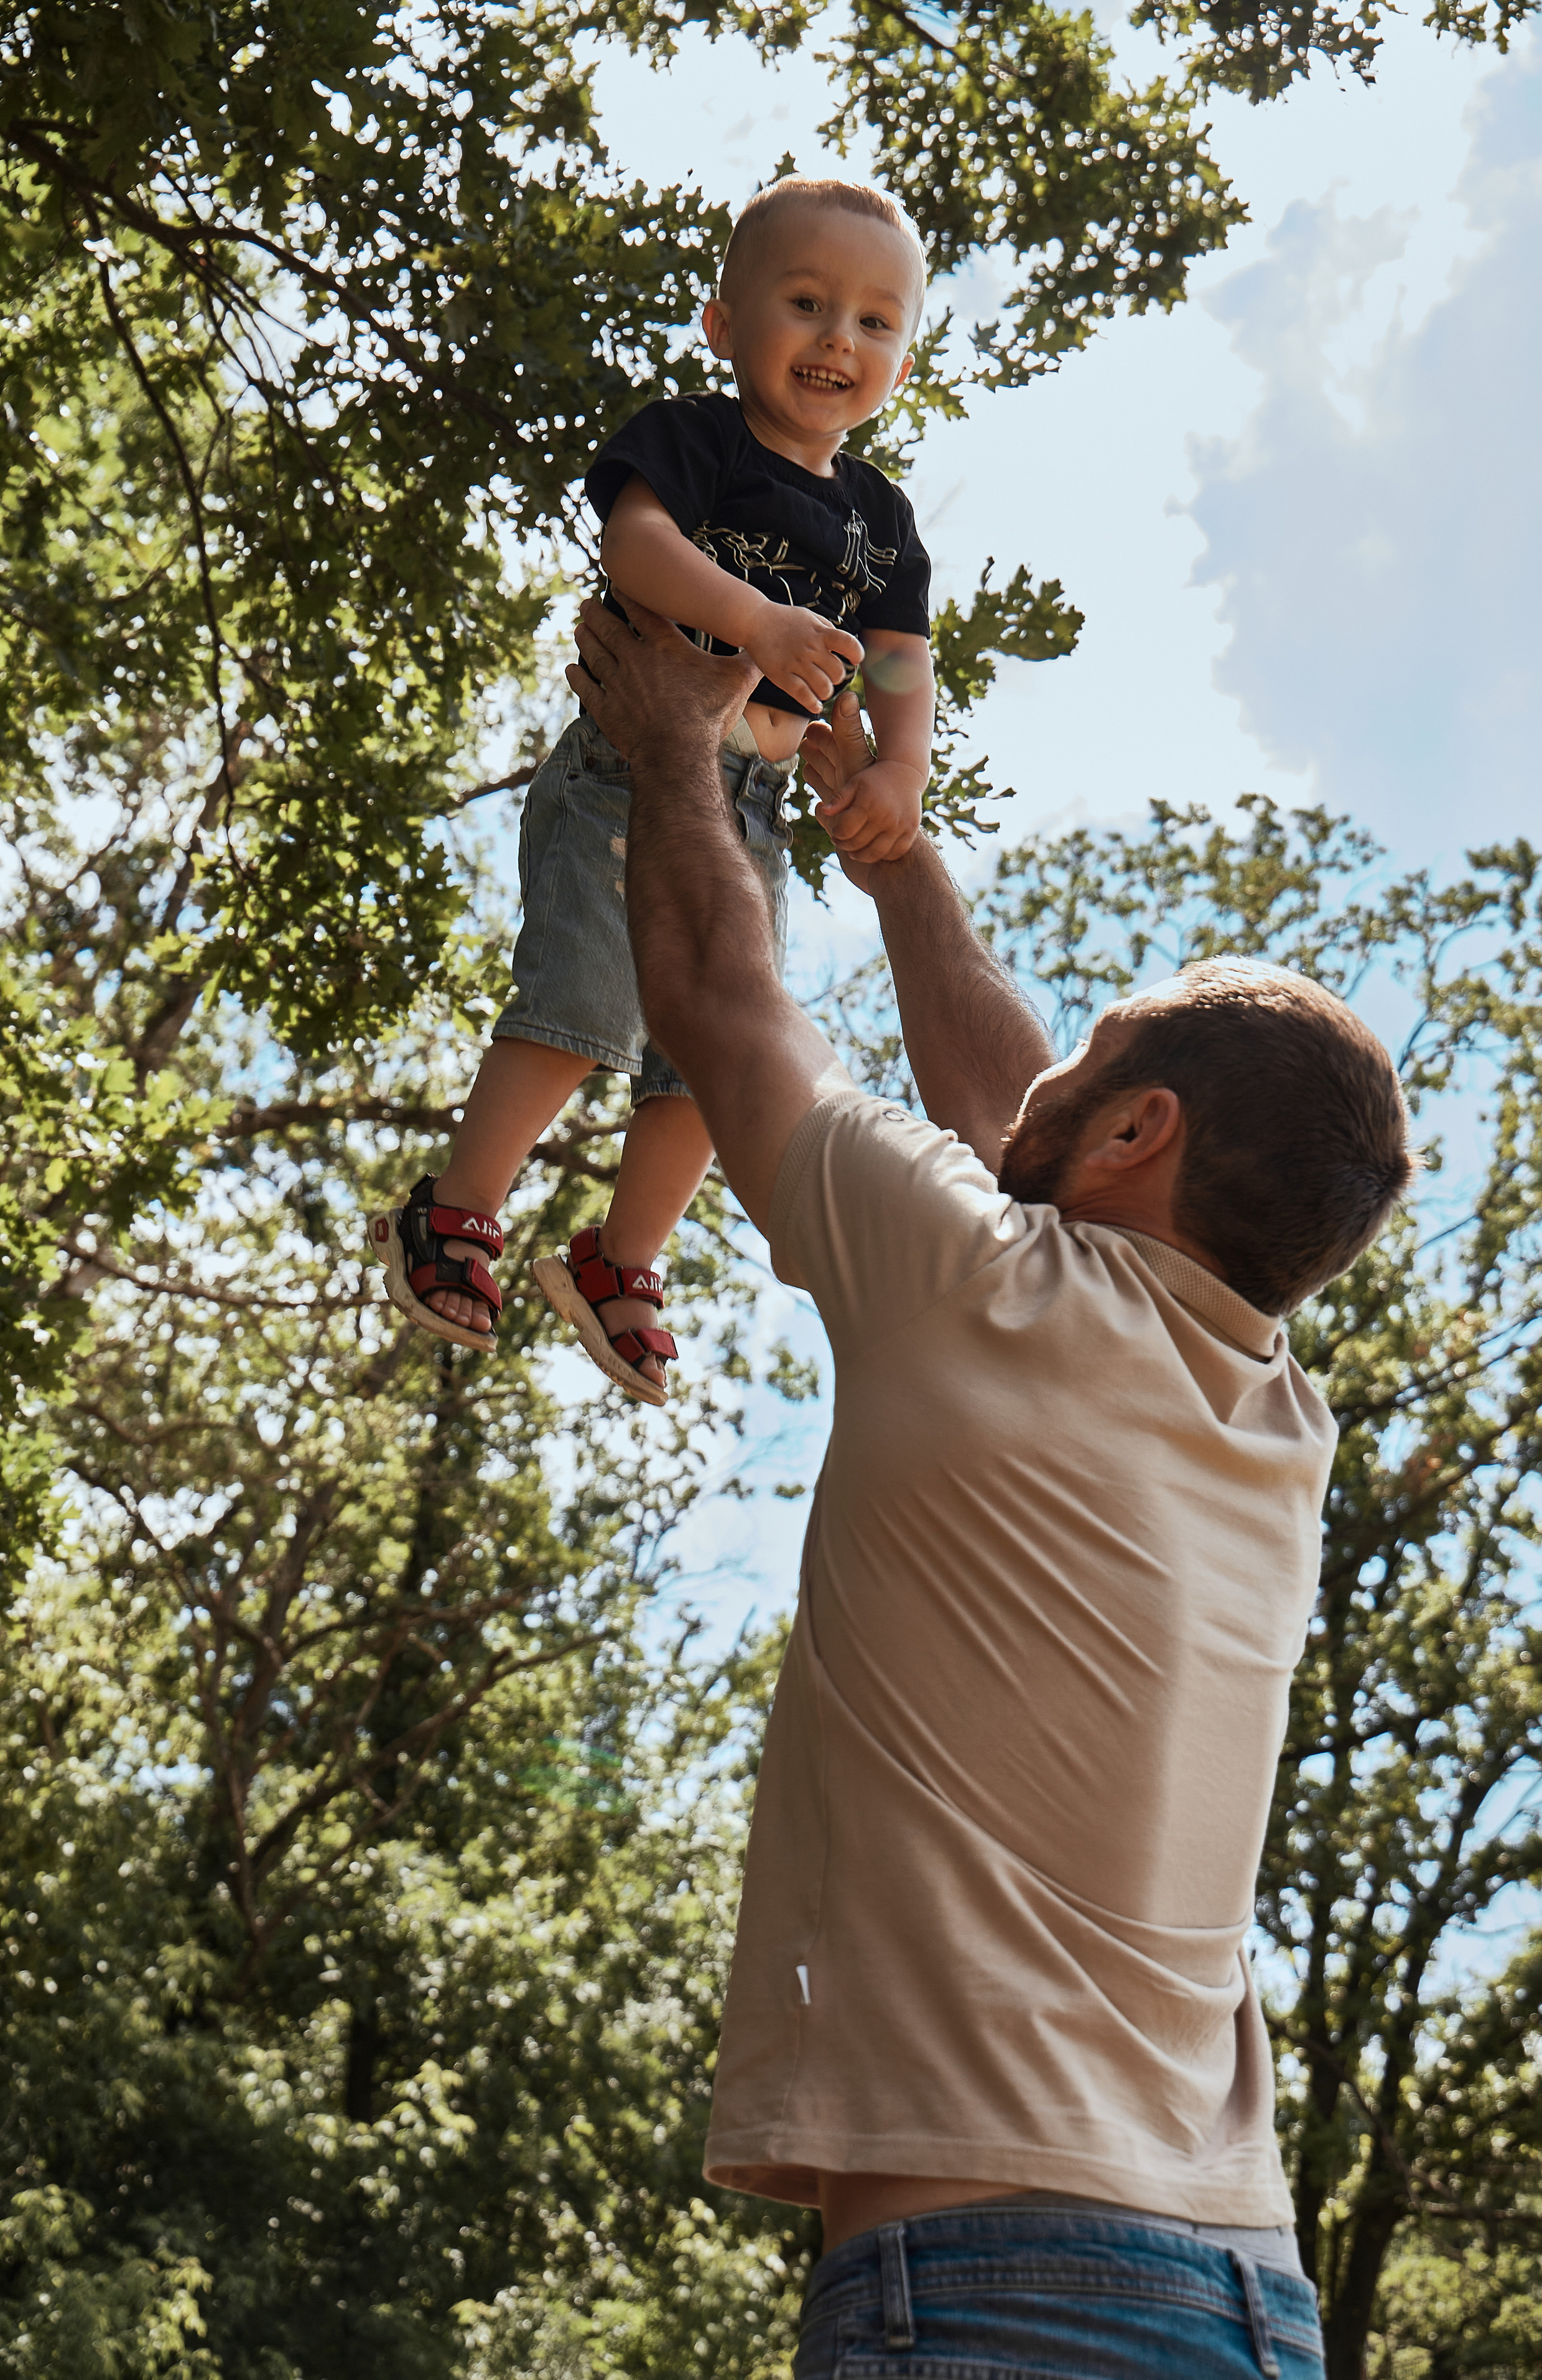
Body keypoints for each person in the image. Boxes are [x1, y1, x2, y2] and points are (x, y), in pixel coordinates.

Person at [562, 592, 1418, 2377]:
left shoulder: (986, 1286)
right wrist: (898, 862)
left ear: (1135, 1135)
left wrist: (663, 734)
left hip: (1005, 2292)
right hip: (1251, 2299)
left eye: (1096, 1055)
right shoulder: (1270, 1419)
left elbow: (723, 1009)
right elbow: (1018, 1120)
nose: (1047, 1076)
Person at [368, 176, 935, 1406]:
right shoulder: (698, 438)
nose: (840, 338)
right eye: (804, 303)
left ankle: (617, 1261)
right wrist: (756, 623)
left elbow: (898, 654)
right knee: (583, 990)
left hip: (756, 808)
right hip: (628, 762)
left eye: (876, 320)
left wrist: (898, 766)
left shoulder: (880, 520)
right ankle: (453, 1211)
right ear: (724, 323)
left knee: (723, 1045)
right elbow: (636, 547)